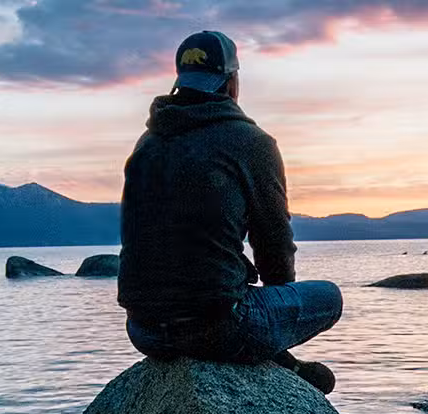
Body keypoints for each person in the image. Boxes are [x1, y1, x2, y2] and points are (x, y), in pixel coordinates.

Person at [118, 30, 340, 393]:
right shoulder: (251, 143)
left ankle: (279, 359)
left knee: (230, 294)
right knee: (329, 297)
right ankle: (279, 359)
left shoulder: (147, 144)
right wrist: (274, 315)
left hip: (143, 330)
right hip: (216, 328)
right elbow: (274, 247)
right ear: (232, 81)